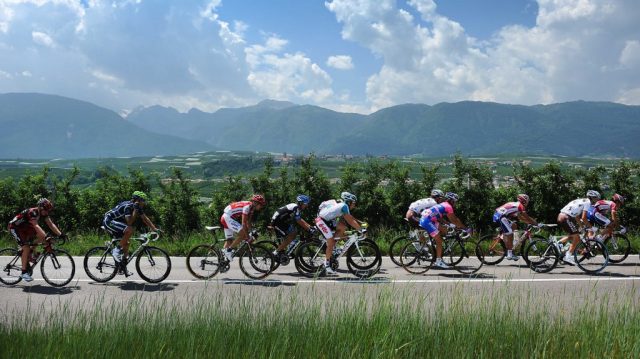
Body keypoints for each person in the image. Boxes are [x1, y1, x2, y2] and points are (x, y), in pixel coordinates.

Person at [8, 198, 63, 282]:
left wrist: (61, 234)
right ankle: (24, 273)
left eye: (48, 210)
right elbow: (36, 226)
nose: (47, 212)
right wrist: (46, 237)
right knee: (26, 247)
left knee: (40, 237)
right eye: (46, 210)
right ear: (40, 208)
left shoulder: (43, 213)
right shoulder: (33, 212)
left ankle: (30, 254)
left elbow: (51, 224)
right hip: (15, 228)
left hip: (25, 227)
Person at [103, 191, 159, 274]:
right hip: (109, 221)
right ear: (138, 200)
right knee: (130, 229)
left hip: (116, 222)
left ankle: (122, 267)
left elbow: (145, 218)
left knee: (126, 243)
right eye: (143, 201)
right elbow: (129, 222)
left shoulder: (136, 207)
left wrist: (154, 229)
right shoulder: (128, 206)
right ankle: (116, 250)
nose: (144, 203)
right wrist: (135, 210)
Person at [315, 192, 363, 275]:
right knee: (330, 241)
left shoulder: (342, 205)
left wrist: (359, 223)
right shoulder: (344, 206)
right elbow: (350, 220)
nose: (354, 205)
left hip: (326, 220)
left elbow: (349, 218)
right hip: (321, 221)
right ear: (349, 202)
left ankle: (334, 249)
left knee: (342, 227)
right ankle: (326, 265)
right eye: (353, 203)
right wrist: (360, 229)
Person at [419, 192, 470, 269]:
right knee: (439, 240)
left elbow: (440, 218)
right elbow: (454, 220)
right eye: (455, 201)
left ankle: (435, 246)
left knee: (445, 230)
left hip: (430, 219)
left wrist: (451, 225)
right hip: (427, 221)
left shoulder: (443, 204)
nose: (455, 203)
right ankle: (438, 261)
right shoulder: (448, 207)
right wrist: (465, 228)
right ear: (451, 200)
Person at [557, 190, 600, 265]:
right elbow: (584, 218)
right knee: (577, 237)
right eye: (596, 199)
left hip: (562, 216)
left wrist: (582, 227)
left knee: (574, 235)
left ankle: (557, 244)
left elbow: (577, 216)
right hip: (566, 217)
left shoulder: (581, 201)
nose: (596, 201)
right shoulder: (588, 202)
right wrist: (591, 228)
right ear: (592, 198)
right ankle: (568, 256)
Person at [220, 194, 267, 261]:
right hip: (227, 217)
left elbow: (248, 222)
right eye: (261, 204)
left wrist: (251, 231)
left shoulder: (251, 208)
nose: (261, 206)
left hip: (227, 217)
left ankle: (222, 262)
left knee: (229, 240)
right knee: (242, 233)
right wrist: (247, 237)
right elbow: (244, 223)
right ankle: (228, 250)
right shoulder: (247, 207)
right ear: (256, 203)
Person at [270, 194, 315, 263]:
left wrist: (309, 226)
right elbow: (298, 220)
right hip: (276, 222)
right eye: (305, 204)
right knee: (291, 236)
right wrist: (308, 229)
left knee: (294, 232)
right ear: (301, 203)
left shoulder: (296, 207)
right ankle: (275, 252)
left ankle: (287, 250)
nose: (306, 206)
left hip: (281, 221)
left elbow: (300, 219)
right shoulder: (295, 207)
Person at [493, 194, 538, 261]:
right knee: (510, 233)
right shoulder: (520, 206)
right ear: (524, 201)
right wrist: (535, 223)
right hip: (500, 216)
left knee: (514, 225)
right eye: (527, 201)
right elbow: (526, 217)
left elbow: (520, 218)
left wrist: (529, 222)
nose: (528, 203)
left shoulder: (517, 205)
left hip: (501, 215)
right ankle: (510, 253)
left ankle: (506, 241)